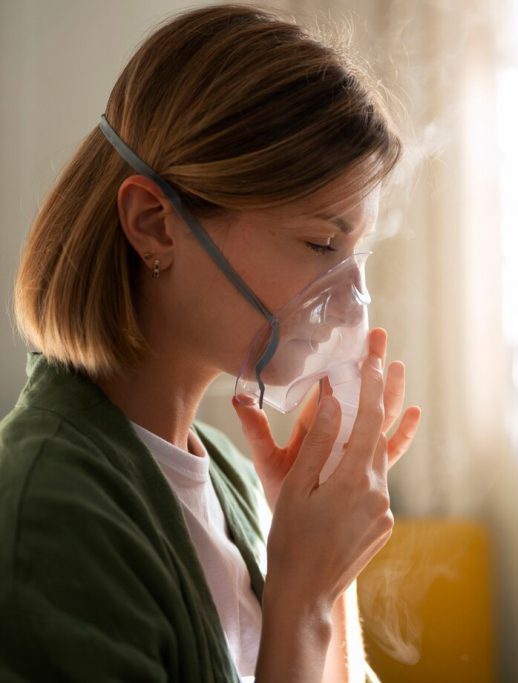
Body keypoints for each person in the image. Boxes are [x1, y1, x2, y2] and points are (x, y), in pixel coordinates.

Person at [0, 5, 422, 682]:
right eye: (321, 243)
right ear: (154, 226)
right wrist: (302, 598)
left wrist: (324, 571)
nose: (351, 300)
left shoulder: (226, 478)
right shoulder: (50, 511)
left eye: (355, 252)